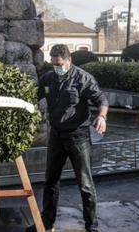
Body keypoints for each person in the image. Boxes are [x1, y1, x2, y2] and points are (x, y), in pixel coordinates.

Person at [28, 44, 108, 232]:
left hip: (78, 136)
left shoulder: (83, 78)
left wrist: (101, 116)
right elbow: (32, 95)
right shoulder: (48, 78)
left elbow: (101, 99)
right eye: (54, 64)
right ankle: (46, 223)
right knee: (50, 181)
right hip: (56, 134)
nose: (57, 68)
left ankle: (92, 226)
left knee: (85, 183)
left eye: (60, 64)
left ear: (69, 60)